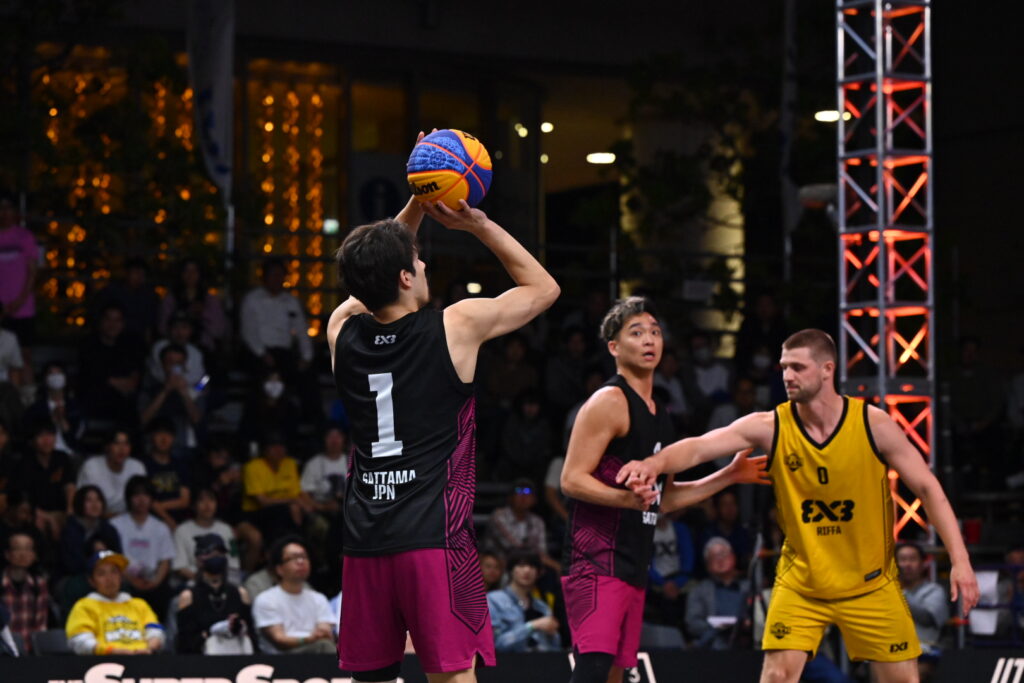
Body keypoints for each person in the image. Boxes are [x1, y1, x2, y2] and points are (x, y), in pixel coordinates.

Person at [618, 328, 980, 683]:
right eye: (784, 367)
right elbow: (700, 446)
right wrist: (653, 464)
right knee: (777, 675)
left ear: (826, 369)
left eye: (797, 367)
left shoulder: (872, 424)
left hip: (870, 583)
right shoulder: (771, 425)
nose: (787, 376)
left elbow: (928, 488)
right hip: (801, 583)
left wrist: (960, 560)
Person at [328, 170, 560, 683]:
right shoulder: (456, 326)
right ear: (405, 278)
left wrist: (417, 201)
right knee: (453, 676)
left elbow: (368, 275)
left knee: (370, 679)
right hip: (434, 539)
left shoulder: (340, 331)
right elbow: (543, 288)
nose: (424, 262)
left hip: (365, 539)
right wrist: (477, 224)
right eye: (415, 260)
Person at [559, 296, 768, 683]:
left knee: (616, 674)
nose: (649, 339)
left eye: (654, 332)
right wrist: (626, 499)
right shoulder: (609, 401)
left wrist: (728, 476)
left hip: (634, 562)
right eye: (636, 332)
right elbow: (571, 479)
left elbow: (664, 500)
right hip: (596, 560)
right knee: (592, 668)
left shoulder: (661, 414)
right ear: (614, 347)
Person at [65, 550, 165, 654]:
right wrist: (112, 652)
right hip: (102, 660)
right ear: (92, 581)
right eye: (101, 573)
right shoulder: (84, 606)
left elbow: (155, 631)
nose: (109, 578)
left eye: (114, 572)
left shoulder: (139, 604)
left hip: (143, 658)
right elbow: (80, 640)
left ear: (120, 576)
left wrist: (149, 649)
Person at [251, 536, 334, 654]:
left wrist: (322, 633)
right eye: (293, 558)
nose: (301, 562)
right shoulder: (266, 599)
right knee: (325, 646)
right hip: (282, 658)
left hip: (317, 652)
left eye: (304, 557)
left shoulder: (319, 598)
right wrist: (309, 638)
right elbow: (279, 639)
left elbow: (325, 630)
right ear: (279, 569)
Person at [109, 476, 175, 620]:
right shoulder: (115, 525)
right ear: (129, 498)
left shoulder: (160, 527)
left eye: (146, 495)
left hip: (153, 581)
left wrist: (155, 582)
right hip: (124, 580)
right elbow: (113, 558)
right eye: (136, 495)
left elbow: (165, 561)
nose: (141, 499)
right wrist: (132, 581)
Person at [175, 533, 254, 654]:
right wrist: (210, 633)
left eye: (220, 553)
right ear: (199, 559)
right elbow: (184, 643)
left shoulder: (240, 593)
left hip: (236, 654)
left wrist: (240, 627)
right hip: (202, 658)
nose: (216, 556)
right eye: (210, 553)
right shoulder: (189, 596)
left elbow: (252, 637)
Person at [487, 551, 562, 653]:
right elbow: (496, 644)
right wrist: (532, 626)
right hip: (506, 661)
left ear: (538, 573)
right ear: (511, 570)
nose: (527, 570)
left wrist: (553, 634)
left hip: (540, 660)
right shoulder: (494, 600)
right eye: (521, 565)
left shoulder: (542, 607)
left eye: (532, 566)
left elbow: (555, 647)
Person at [685, 536, 750, 650]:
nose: (720, 559)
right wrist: (719, 628)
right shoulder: (699, 591)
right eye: (714, 557)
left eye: (723, 554)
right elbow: (692, 623)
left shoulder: (749, 587)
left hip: (746, 647)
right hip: (711, 649)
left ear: (733, 557)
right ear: (707, 565)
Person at [896, 542, 948, 681]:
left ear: (923, 563)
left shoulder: (934, 591)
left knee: (913, 676)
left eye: (912, 559)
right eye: (902, 559)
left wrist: (900, 594)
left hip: (925, 653)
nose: (907, 564)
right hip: (892, 653)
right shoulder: (885, 593)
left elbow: (927, 618)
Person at [484, 479, 560, 573]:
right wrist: (548, 562)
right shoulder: (499, 516)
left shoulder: (537, 521)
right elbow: (514, 547)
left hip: (529, 565)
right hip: (500, 566)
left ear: (534, 500)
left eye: (528, 493)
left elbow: (542, 551)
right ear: (510, 498)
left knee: (548, 571)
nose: (523, 497)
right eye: (519, 492)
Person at [173, 488, 241, 585]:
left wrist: (219, 582)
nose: (207, 504)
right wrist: (205, 581)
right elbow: (179, 567)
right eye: (201, 500)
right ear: (193, 505)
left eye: (211, 499)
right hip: (194, 582)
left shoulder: (226, 529)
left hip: (224, 581)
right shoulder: (182, 530)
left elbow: (234, 561)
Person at [76, 428, 147, 516]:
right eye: (116, 443)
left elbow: (143, 501)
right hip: (97, 518)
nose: (122, 449)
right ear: (107, 446)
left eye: (126, 444)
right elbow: (82, 504)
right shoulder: (92, 466)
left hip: (129, 519)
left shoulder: (137, 467)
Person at [0, 190, 38, 354]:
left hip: (22, 308)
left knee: (24, 355)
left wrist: (20, 301)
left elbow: (32, 272)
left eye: (8, 208)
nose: (4, 213)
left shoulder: (25, 237)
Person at [0, 532, 49, 653]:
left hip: (29, 654)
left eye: (28, 548)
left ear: (34, 555)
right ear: (7, 554)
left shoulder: (39, 584)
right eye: (17, 548)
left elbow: (40, 626)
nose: (23, 554)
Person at [141, 418, 192, 528]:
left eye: (168, 434)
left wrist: (158, 506)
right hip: (149, 523)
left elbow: (184, 501)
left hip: (179, 522)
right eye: (159, 433)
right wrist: (167, 519)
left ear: (174, 438)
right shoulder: (142, 466)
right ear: (152, 437)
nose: (164, 438)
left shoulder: (180, 465)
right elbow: (143, 499)